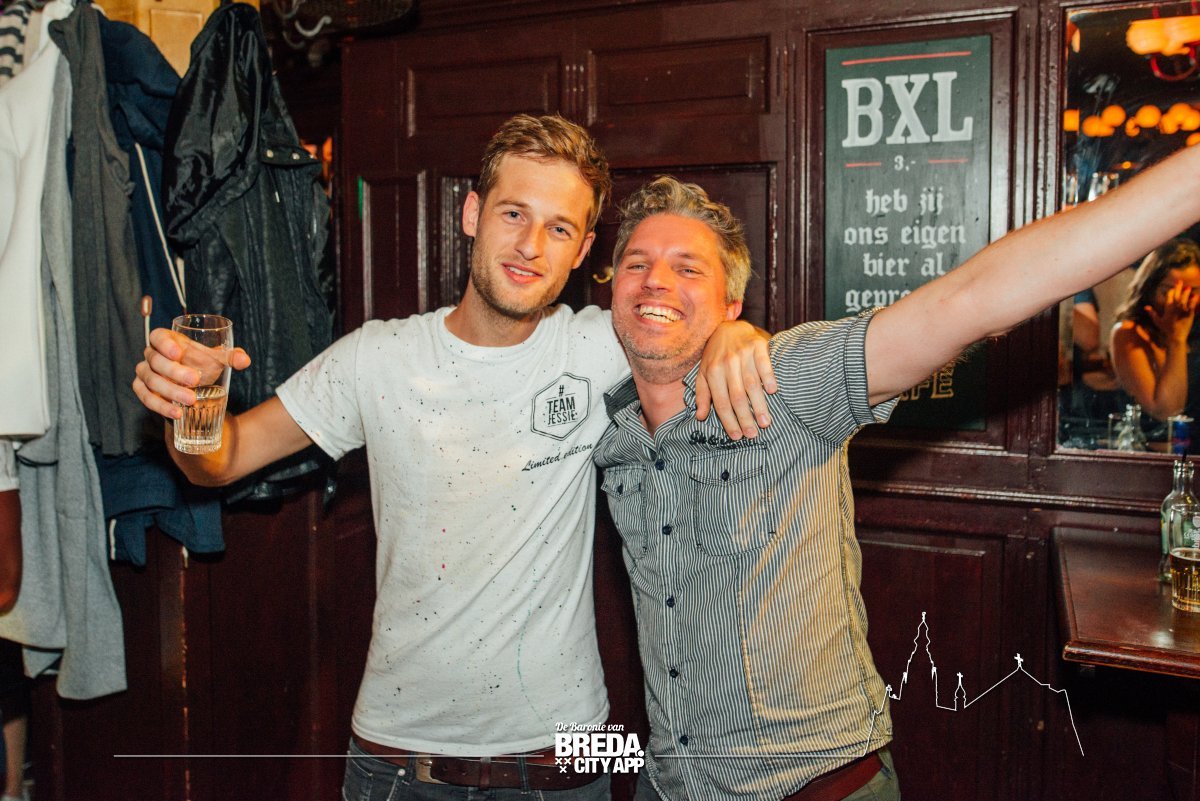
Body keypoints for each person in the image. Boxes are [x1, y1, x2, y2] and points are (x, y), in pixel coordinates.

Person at [132, 114, 772, 800]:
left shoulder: (600, 345)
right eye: (513, 213)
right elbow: (222, 460)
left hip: (567, 756)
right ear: (471, 214)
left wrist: (737, 334)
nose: (530, 245)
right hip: (395, 760)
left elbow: (689, 320)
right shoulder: (377, 357)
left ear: (582, 250)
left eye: (559, 228)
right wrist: (189, 405)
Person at [594, 139, 1200, 801]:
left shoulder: (785, 380)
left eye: (687, 267)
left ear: (731, 306)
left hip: (817, 788)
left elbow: (968, 301)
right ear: (612, 289)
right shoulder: (611, 431)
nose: (655, 280)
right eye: (637, 263)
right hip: (670, 784)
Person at [1110, 238, 1200, 422]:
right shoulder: (1129, 334)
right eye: (1168, 292)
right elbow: (1166, 413)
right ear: (1149, 288)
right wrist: (1176, 339)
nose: (1180, 302)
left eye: (1191, 292)